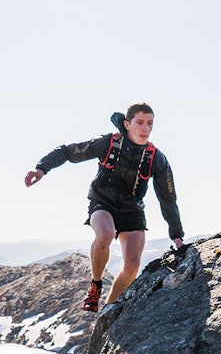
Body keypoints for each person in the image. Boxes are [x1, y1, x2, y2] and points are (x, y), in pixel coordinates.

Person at [25, 103, 184, 312]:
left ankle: (108, 309)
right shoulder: (108, 143)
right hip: (102, 202)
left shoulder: (157, 158)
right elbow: (68, 152)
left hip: (132, 210)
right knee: (105, 233)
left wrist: (177, 236)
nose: (145, 128)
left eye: (150, 124)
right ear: (127, 124)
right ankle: (96, 285)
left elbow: (168, 198)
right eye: (140, 123)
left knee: (132, 265)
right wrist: (41, 168)